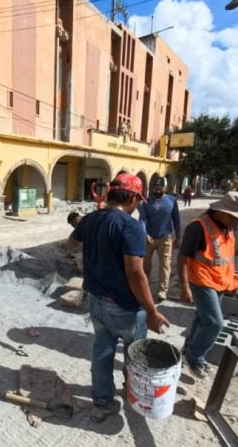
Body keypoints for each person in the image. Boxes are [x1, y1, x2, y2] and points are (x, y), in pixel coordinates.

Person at [68, 173, 170, 423]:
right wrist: (152, 311)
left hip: (95, 301)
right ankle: (133, 393)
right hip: (124, 307)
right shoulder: (131, 226)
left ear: (111, 193)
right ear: (134, 198)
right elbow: (136, 274)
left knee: (103, 350)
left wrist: (93, 237)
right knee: (135, 354)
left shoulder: (91, 219)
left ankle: (102, 402)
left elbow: (70, 244)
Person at [177, 191, 238, 378]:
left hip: (220, 282)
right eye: (237, 219)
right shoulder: (198, 227)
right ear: (225, 213)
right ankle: (195, 357)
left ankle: (188, 352)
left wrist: (233, 280)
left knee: (202, 319)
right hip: (202, 281)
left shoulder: (228, 227)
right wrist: (184, 287)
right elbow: (182, 258)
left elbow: (227, 259)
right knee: (215, 323)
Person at [139, 178, 181, 302]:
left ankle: (162, 290)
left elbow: (176, 219)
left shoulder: (172, 201)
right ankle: (144, 287)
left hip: (165, 238)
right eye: (155, 188)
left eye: (160, 188)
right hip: (149, 238)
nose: (157, 190)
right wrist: (145, 234)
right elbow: (142, 220)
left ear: (165, 188)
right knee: (145, 264)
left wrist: (178, 236)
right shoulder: (146, 202)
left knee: (165, 265)